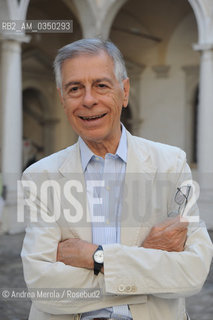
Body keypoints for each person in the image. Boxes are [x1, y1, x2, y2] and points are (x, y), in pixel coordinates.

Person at [21, 38, 213, 320]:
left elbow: (193, 272)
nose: (88, 100)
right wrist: (145, 260)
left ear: (124, 92)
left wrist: (95, 257)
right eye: (75, 88)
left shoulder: (171, 165)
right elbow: (43, 288)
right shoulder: (39, 177)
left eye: (101, 85)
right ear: (62, 99)